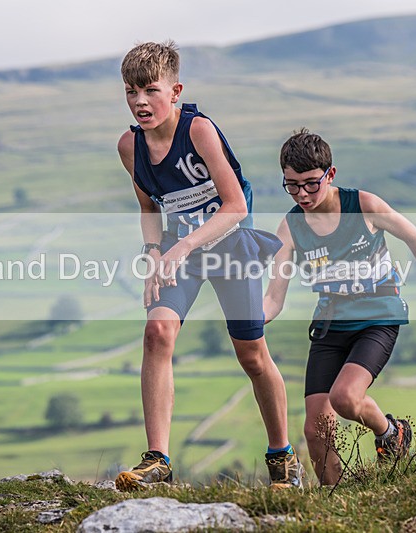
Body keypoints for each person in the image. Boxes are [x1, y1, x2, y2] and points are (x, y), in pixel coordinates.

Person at [114, 41, 303, 491]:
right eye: (131, 92)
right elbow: (148, 208)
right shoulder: (129, 146)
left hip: (229, 246)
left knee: (251, 354)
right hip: (178, 253)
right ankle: (158, 461)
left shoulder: (198, 131)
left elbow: (236, 206)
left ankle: (283, 458)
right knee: (157, 333)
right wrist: (154, 252)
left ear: (175, 91)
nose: (140, 101)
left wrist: (182, 247)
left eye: (151, 90)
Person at [263, 129, 416, 485]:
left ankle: (391, 433)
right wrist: (249, 320)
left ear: (330, 174)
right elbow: (274, 298)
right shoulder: (290, 227)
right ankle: (337, 500)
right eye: (291, 186)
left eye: (310, 184)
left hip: (377, 318)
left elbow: (413, 235)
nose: (302, 194)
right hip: (330, 324)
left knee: (345, 397)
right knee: (315, 429)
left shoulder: (363, 205)